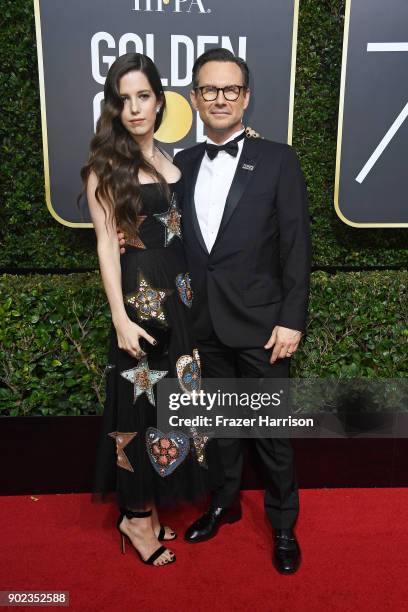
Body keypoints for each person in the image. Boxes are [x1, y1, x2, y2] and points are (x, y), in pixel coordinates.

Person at [120, 48, 311, 573]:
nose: (220, 98)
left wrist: (292, 318)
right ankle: (223, 504)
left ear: (245, 98)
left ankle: (283, 525)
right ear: (195, 99)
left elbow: (297, 246)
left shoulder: (279, 159)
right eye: (209, 89)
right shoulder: (179, 164)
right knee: (221, 430)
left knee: (272, 434)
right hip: (200, 324)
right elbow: (166, 236)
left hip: (262, 325)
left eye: (230, 89)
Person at [81, 52, 210, 567]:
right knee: (139, 405)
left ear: (160, 101)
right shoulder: (104, 167)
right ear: (114, 106)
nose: (134, 108)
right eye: (123, 98)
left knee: (170, 402)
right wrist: (119, 318)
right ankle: (135, 518)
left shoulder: (168, 156)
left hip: (178, 295)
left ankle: (149, 505)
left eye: (143, 96)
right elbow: (106, 247)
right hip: (140, 299)